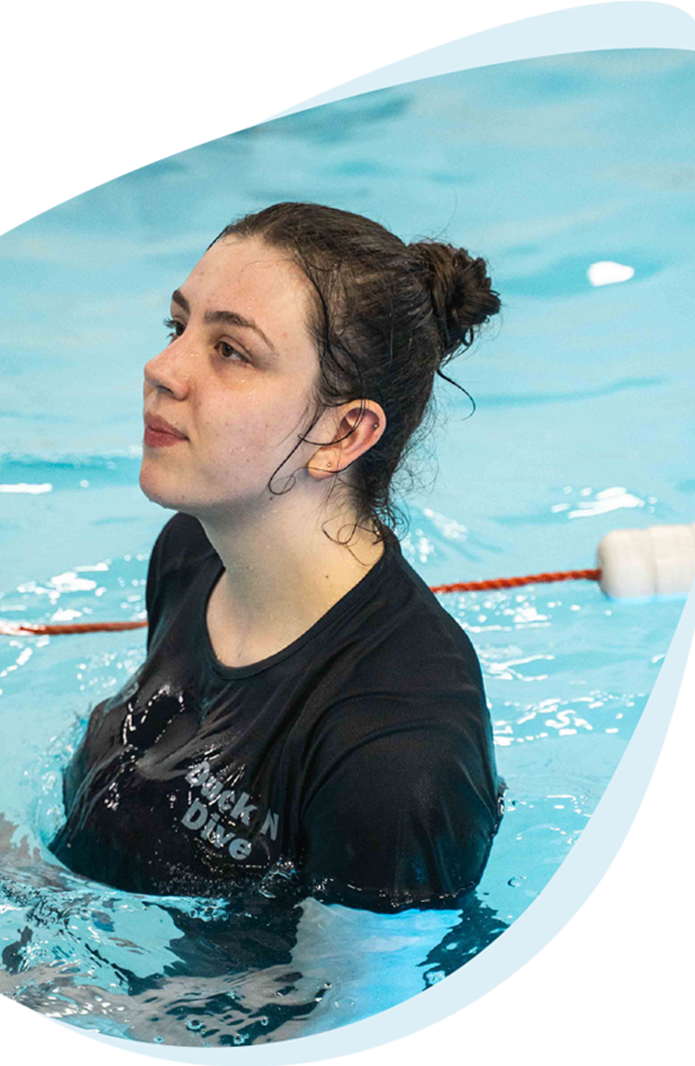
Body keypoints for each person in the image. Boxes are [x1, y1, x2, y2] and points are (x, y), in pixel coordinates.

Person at [50, 202, 504, 913]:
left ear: (344, 433)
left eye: (231, 351)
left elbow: (360, 1011)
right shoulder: (192, 553)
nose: (162, 368)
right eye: (178, 327)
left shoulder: (399, 752)